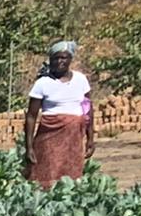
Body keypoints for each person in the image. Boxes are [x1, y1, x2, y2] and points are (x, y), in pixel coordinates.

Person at [23, 41, 95, 187]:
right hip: (49, 136)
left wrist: (90, 138)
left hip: (74, 138)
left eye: (64, 58)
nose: (60, 61)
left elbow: (88, 110)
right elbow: (31, 116)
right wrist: (29, 147)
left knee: (71, 174)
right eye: (56, 58)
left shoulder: (80, 80)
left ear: (70, 59)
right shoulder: (43, 83)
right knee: (46, 171)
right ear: (50, 60)